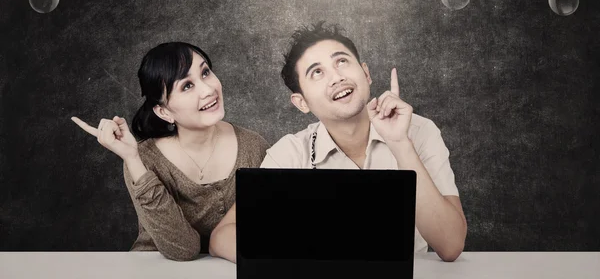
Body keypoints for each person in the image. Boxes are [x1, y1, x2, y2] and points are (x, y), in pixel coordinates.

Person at [215, 22, 467, 263]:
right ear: (301, 102)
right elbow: (222, 236)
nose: (336, 77)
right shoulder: (290, 153)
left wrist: (400, 143)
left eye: (342, 61)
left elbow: (450, 245)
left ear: (365, 73)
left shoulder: (420, 131)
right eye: (317, 72)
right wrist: (298, 259)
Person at [71, 42, 269, 261]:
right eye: (187, 86)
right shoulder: (144, 159)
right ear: (164, 112)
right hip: (158, 268)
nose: (208, 90)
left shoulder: (254, 146)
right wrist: (132, 158)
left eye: (205, 73)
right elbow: (183, 249)